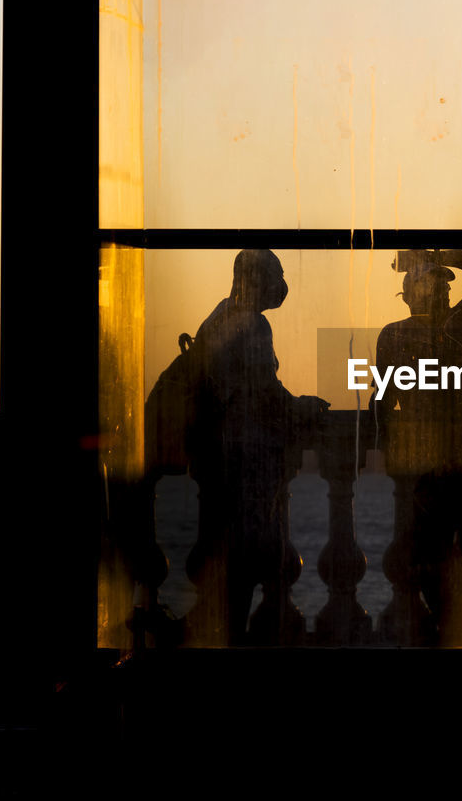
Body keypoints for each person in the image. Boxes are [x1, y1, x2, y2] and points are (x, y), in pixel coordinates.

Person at [184, 248, 327, 645]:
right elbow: (265, 393)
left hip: (219, 463)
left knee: (229, 572)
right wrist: (303, 406)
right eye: (275, 276)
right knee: (245, 569)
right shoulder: (252, 325)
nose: (281, 286)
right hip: (244, 464)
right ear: (253, 280)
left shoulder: (218, 316)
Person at [374, 249, 462, 645]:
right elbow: (383, 403)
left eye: (445, 286)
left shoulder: (453, 324)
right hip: (449, 464)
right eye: (435, 284)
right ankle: (455, 629)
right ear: (410, 293)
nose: (444, 292)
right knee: (438, 555)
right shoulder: (409, 333)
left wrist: (433, 254)